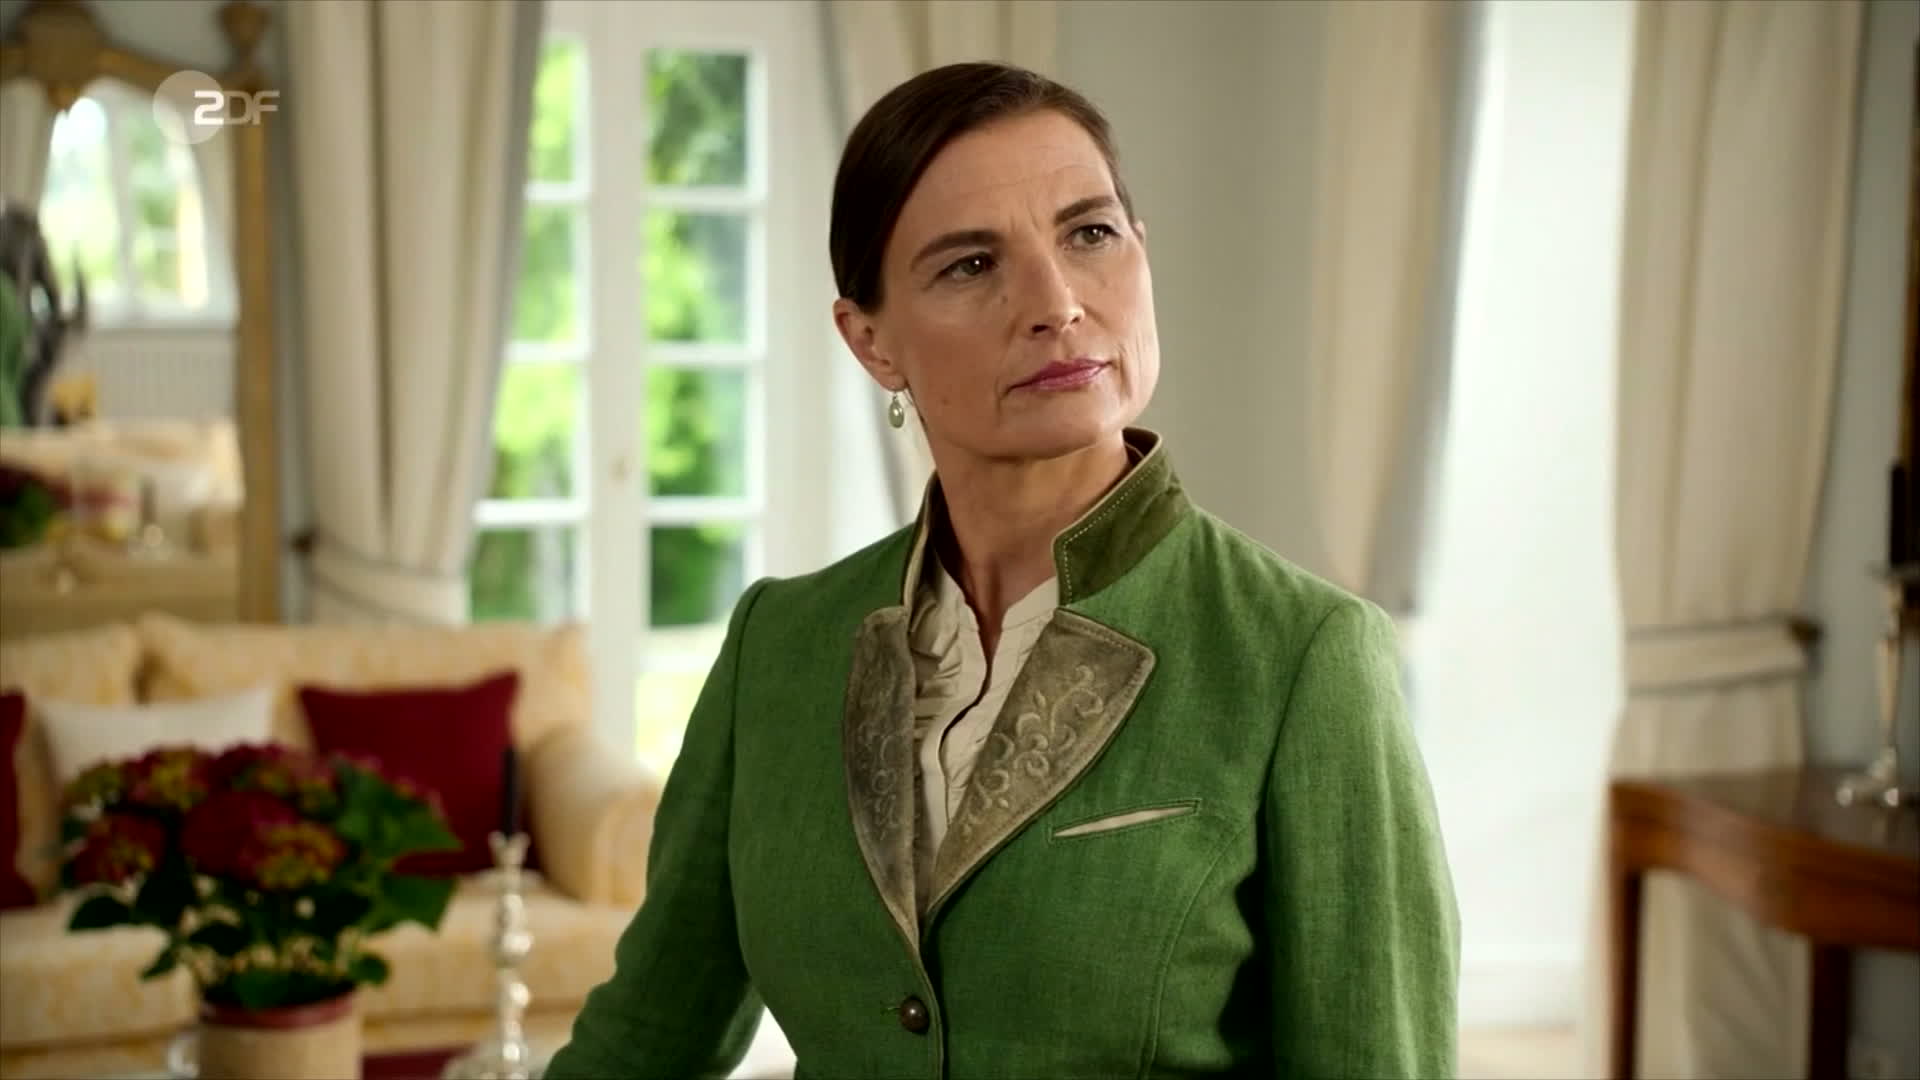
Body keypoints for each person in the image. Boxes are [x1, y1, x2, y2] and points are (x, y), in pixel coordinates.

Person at [545, 62, 1459, 1079]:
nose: (1056, 303)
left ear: (1140, 251)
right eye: (972, 264)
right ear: (871, 342)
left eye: (1089, 234)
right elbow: (645, 1041)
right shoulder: (779, 646)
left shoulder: (1304, 655)